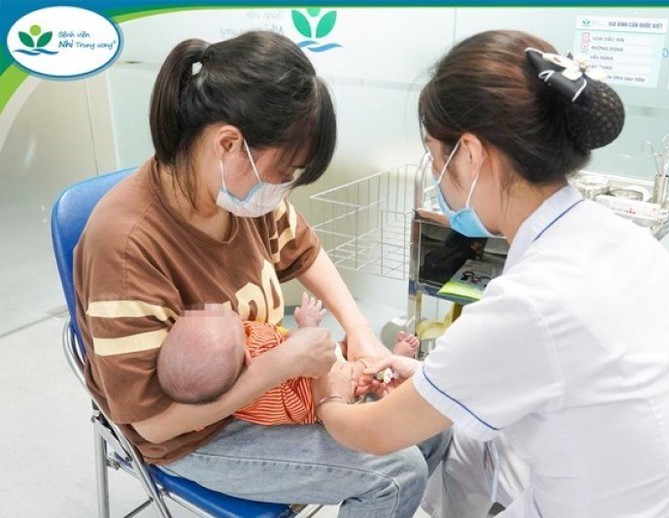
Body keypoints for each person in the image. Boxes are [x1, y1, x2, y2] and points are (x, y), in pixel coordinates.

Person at [312, 30, 669, 517]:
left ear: (470, 154)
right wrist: (426, 378)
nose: (435, 174)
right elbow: (559, 372)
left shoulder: (535, 300)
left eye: (434, 155)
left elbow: (376, 433)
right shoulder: (621, 241)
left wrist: (329, 396)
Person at [74, 30, 450, 516]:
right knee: (397, 474)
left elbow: (305, 252)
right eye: (284, 172)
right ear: (229, 143)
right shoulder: (125, 246)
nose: (284, 189)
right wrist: (278, 368)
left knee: (428, 424)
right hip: (198, 433)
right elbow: (155, 424)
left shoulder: (236, 196)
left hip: (276, 389)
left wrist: (358, 332)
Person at [156, 294, 421, 425]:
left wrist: (303, 334)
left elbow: (288, 344)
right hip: (324, 385)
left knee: (349, 346)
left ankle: (387, 365)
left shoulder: (231, 352)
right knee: (362, 376)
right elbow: (305, 372)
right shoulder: (263, 394)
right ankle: (392, 366)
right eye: (229, 319)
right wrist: (307, 327)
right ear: (247, 356)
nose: (228, 311)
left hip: (316, 355)